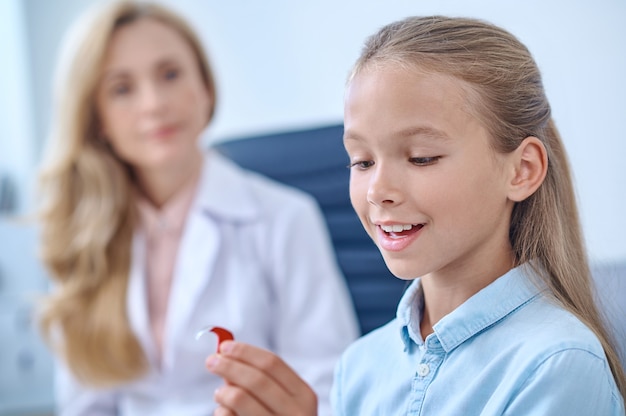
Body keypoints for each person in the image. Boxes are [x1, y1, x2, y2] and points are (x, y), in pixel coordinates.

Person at [204, 15, 626, 415]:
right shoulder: (361, 365)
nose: (378, 191)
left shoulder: (557, 364)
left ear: (522, 170)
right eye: (362, 161)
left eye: (421, 158)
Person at [36, 1, 359, 415]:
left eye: (170, 74)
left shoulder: (285, 218)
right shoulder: (81, 234)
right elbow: (85, 405)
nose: (154, 103)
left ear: (205, 87)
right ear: (97, 118)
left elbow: (327, 390)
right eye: (122, 88)